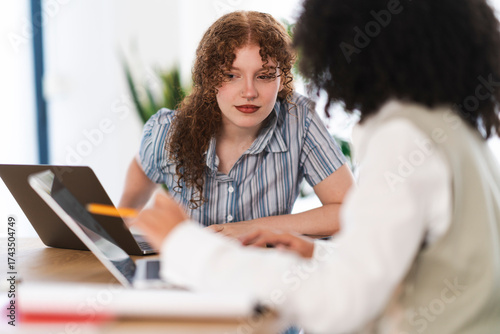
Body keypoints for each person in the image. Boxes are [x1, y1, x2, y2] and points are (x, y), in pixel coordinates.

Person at [133, 0, 500, 333]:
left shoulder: (402, 136)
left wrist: (188, 247)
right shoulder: (451, 132)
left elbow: (339, 306)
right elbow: (405, 264)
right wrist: (320, 253)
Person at [120, 11, 354, 239]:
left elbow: (348, 212)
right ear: (209, 78)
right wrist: (124, 218)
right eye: (231, 75)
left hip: (265, 273)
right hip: (190, 271)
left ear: (282, 79)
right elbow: (142, 166)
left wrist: (255, 228)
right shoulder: (167, 130)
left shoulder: (299, 120)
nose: (249, 92)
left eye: (264, 75)